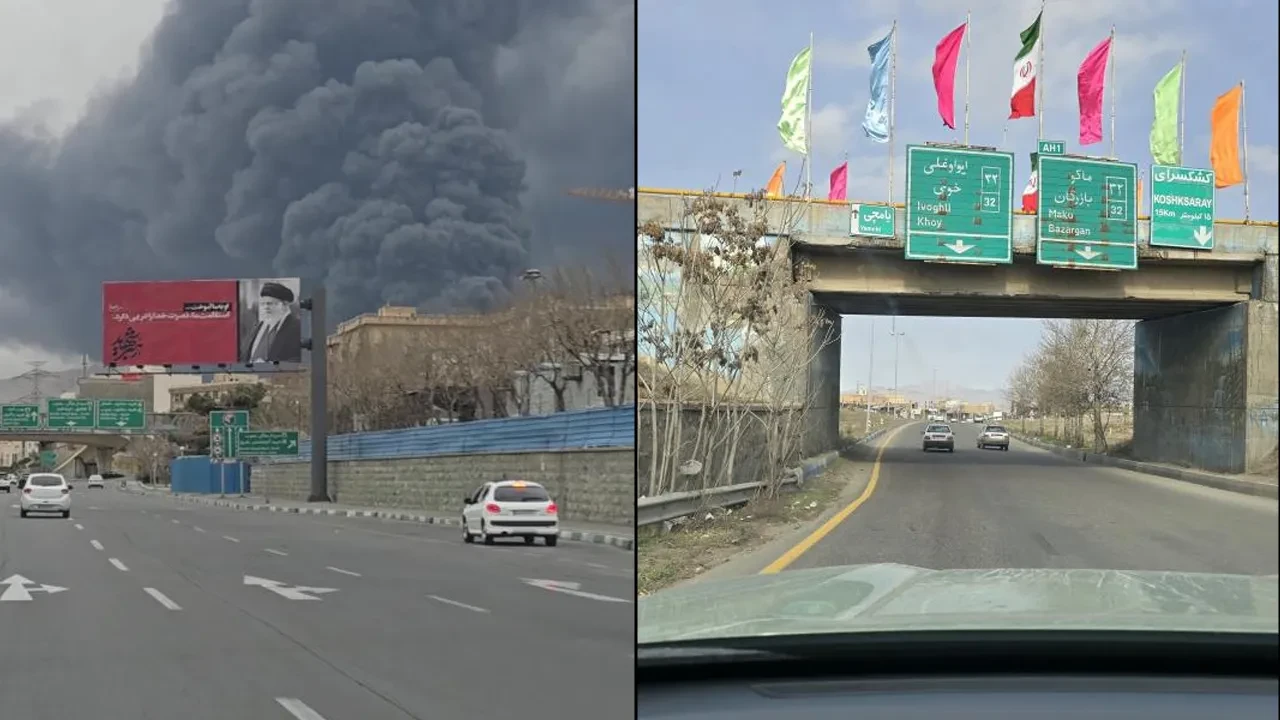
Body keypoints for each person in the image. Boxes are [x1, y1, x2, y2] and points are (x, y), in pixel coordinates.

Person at [242, 282, 302, 363]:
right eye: (263, 304)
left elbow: (298, 358)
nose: (266, 307)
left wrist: (271, 365)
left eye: (270, 304)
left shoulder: (296, 327)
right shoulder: (259, 326)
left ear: (285, 305)